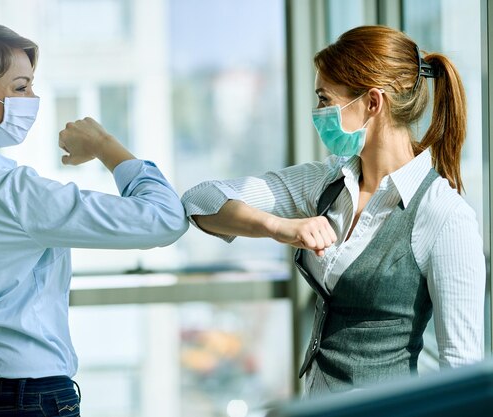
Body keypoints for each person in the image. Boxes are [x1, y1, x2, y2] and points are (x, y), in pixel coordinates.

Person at [0, 16, 188, 417]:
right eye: (20, 87)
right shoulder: (13, 193)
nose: (33, 97)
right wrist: (104, 145)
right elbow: (164, 218)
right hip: (30, 400)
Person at [181, 25, 485, 397]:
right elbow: (201, 200)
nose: (318, 112)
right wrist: (278, 227)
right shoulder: (327, 182)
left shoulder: (444, 216)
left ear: (373, 103)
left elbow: (462, 372)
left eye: (325, 99)